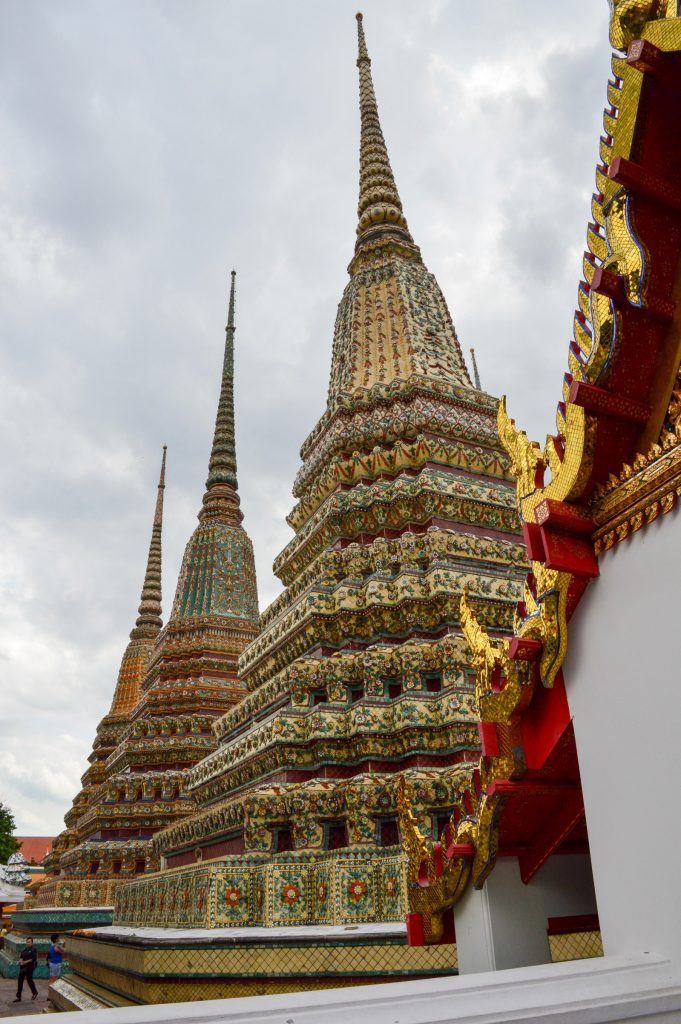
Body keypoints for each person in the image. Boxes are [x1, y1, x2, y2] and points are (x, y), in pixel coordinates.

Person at [13, 936, 38, 1002]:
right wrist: (20, 961)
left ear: (32, 943)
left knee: (29, 980)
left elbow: (33, 959)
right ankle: (19, 997)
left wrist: (25, 962)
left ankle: (34, 992)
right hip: (23, 967)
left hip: (30, 967)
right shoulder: (24, 950)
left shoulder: (34, 950)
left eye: (29, 942)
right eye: (27, 942)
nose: (28, 943)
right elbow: (21, 957)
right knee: (20, 981)